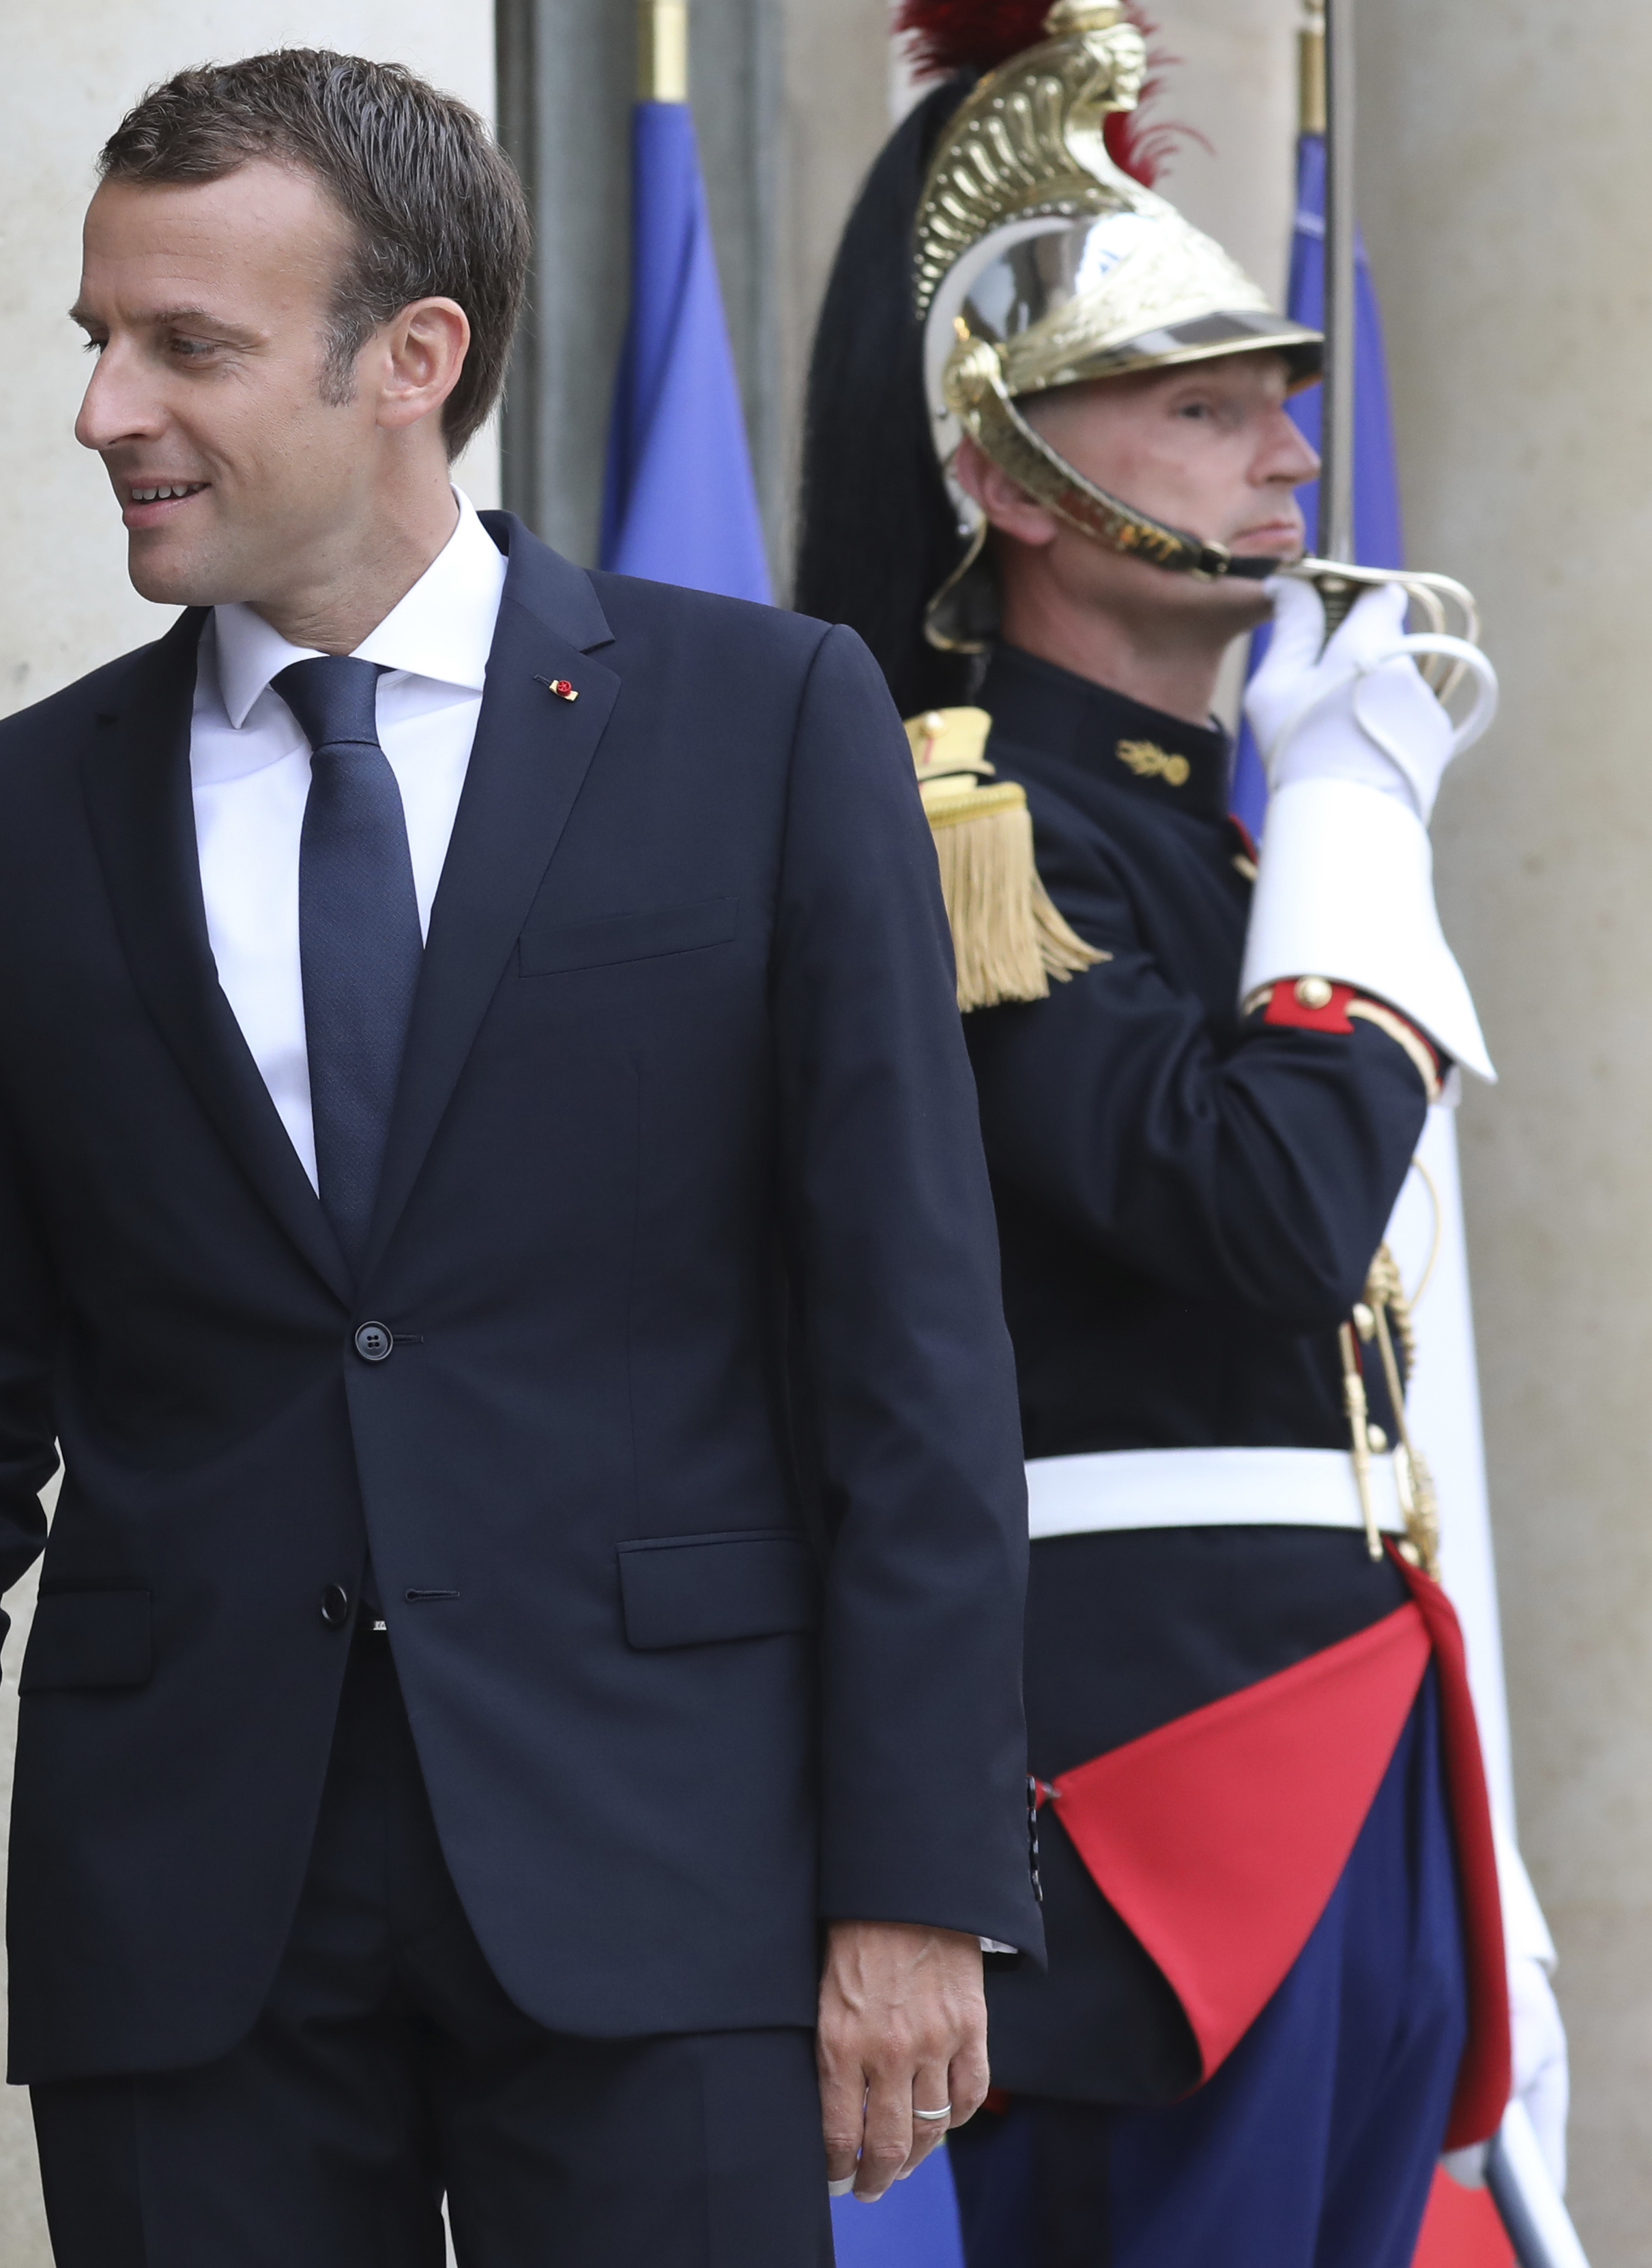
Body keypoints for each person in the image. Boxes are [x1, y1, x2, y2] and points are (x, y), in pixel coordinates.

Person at [0, 48, 1041, 2265]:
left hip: (666, 1883)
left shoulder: (765, 723)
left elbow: (908, 1347)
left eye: (187, 345)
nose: (103, 410)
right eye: (98, 340)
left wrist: (915, 1879)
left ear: (411, 360)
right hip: (186, 1916)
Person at [791, 4, 1557, 2260]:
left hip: (1344, 1712)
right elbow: (1260, 1207)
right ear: (1014, 478)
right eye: (1201, 411)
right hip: (1151, 1762)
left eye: (1278, 405)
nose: (1282, 463)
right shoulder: (972, 831)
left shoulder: (1180, 844)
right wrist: (1345, 819)